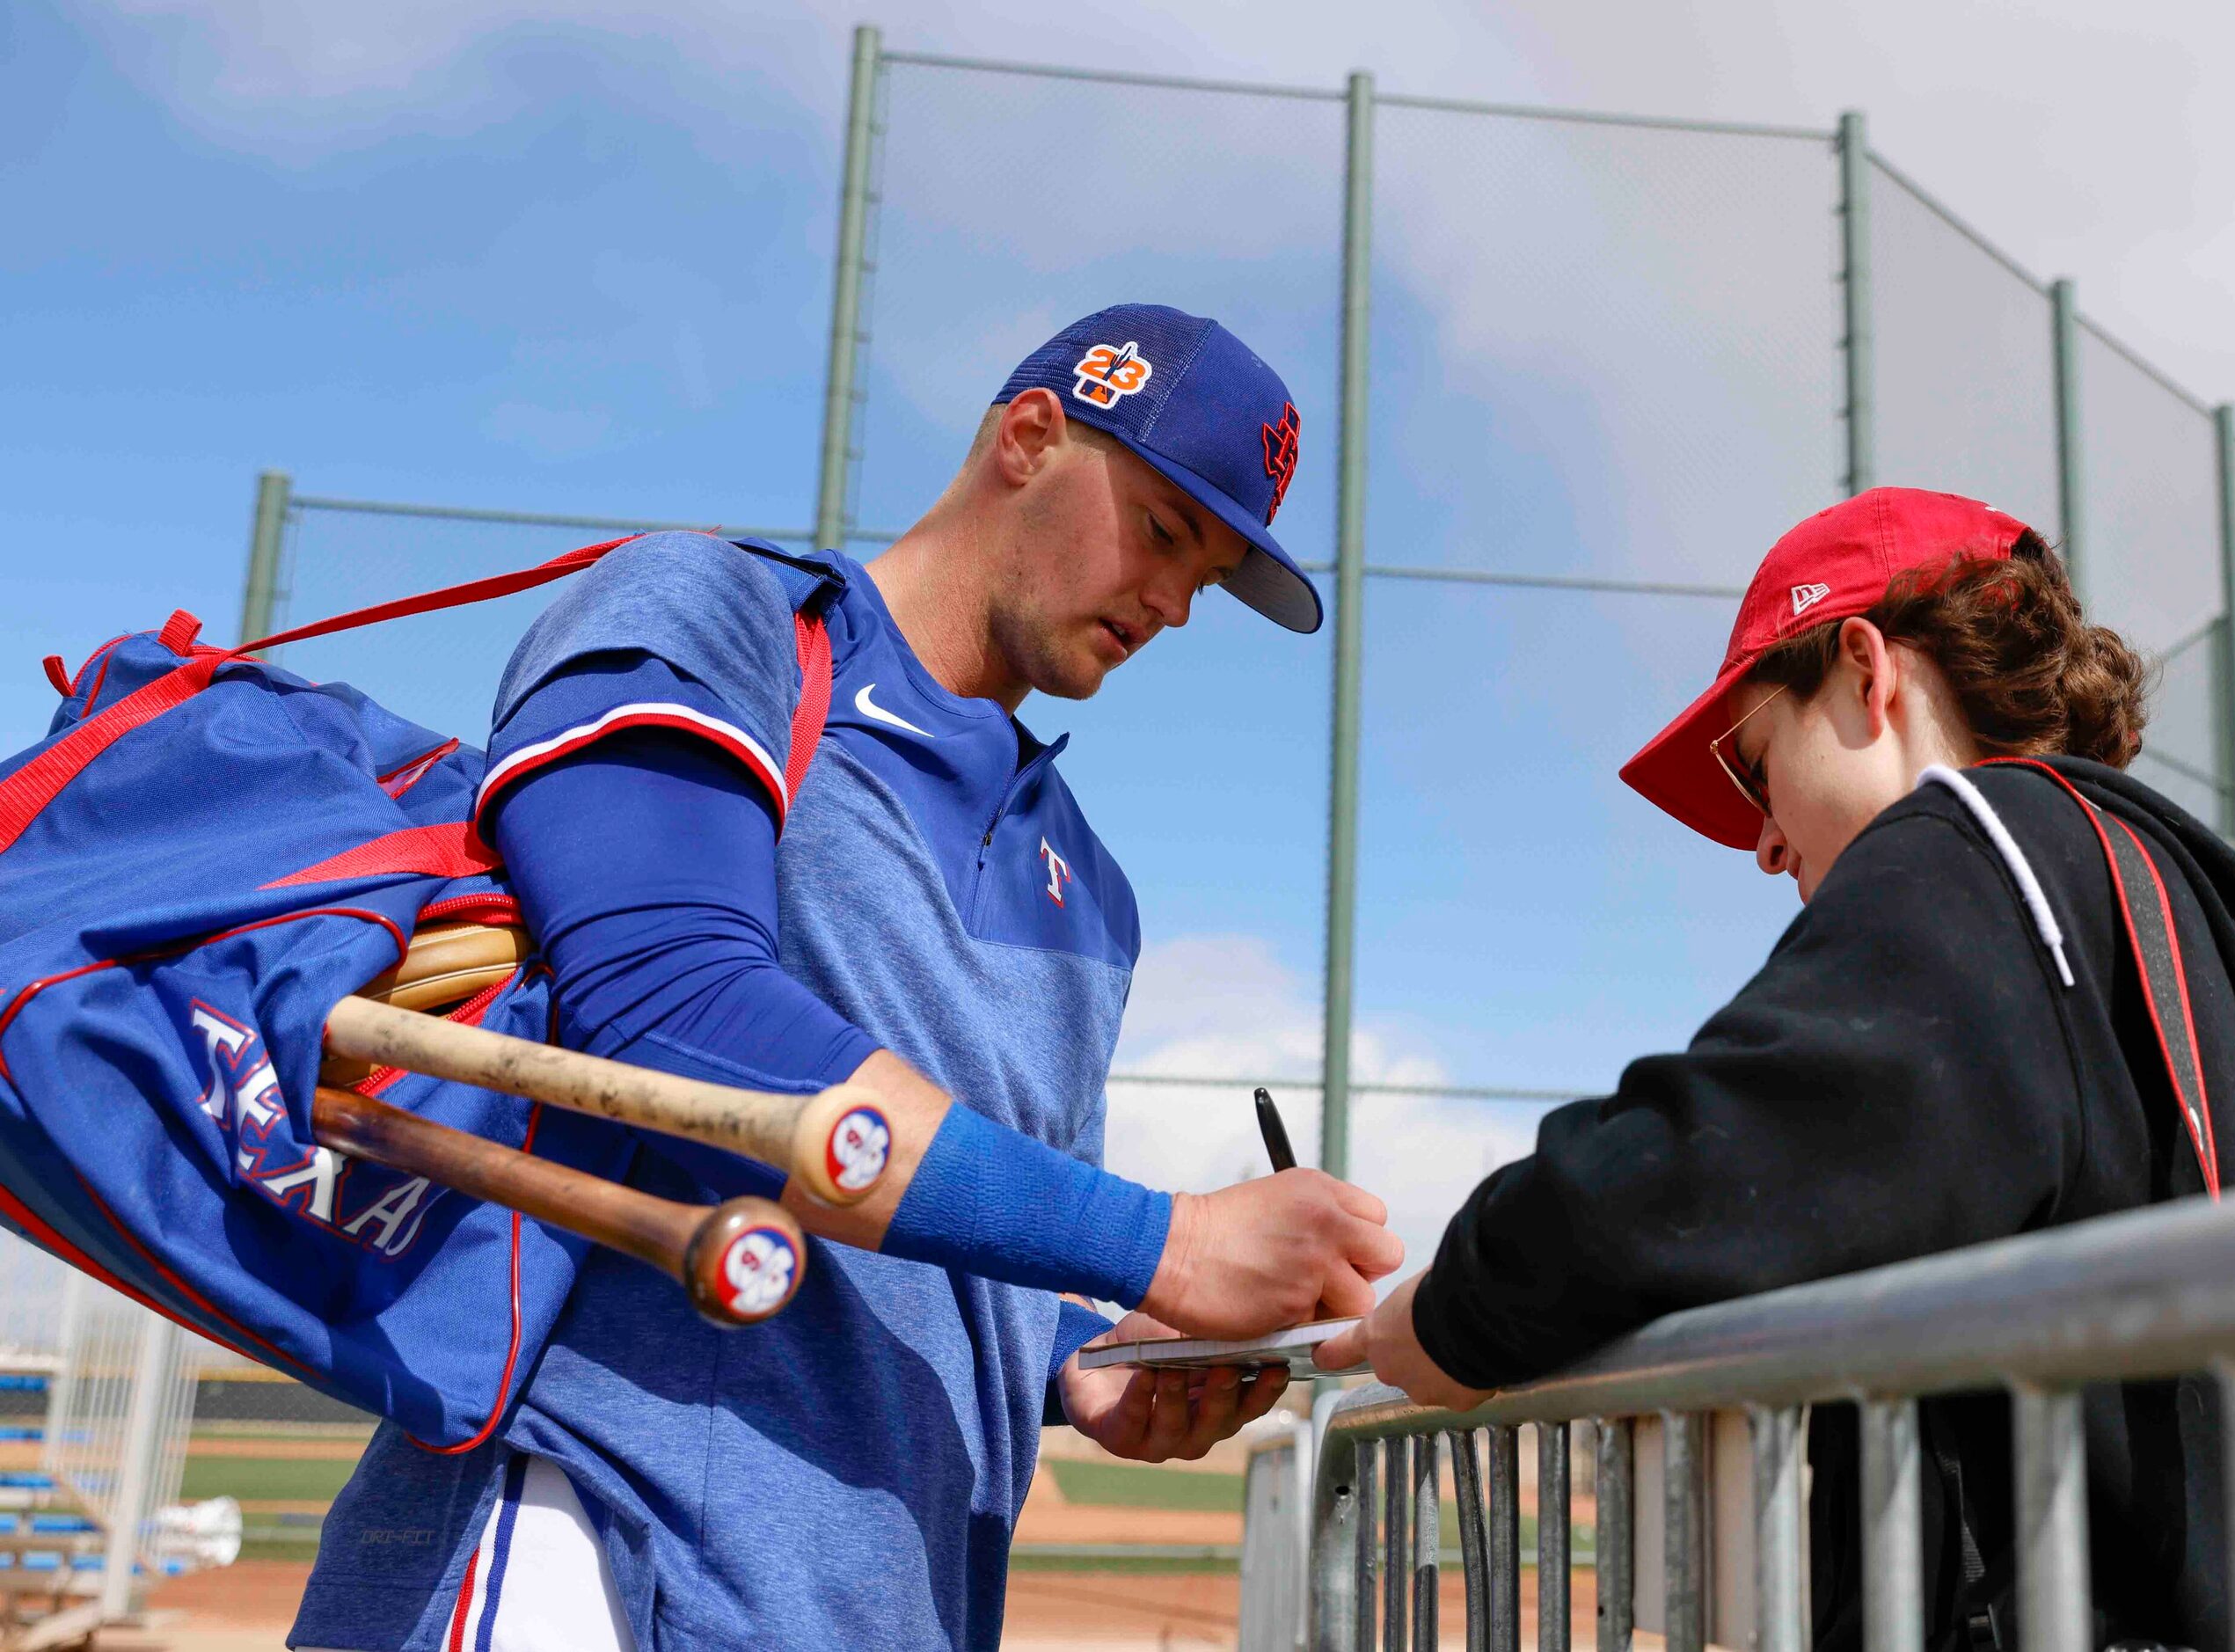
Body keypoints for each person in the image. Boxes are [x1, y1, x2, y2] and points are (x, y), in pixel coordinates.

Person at [295, 303, 1405, 1652]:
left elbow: (975, 1241)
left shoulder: (1093, 890)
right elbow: (660, 1016)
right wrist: (1169, 1242)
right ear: (1030, 435)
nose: (1175, 603)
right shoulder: (725, 620)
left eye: (1210, 574)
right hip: (583, 1547)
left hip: (890, 1600)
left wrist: (1080, 1363)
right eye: (1166, 531)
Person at [1318, 486, 2235, 1650]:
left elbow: (1706, 1167)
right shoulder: (2154, 897)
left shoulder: (1978, 856)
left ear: (1867, 671)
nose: (1767, 839)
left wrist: (1457, 1308)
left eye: (1758, 768)